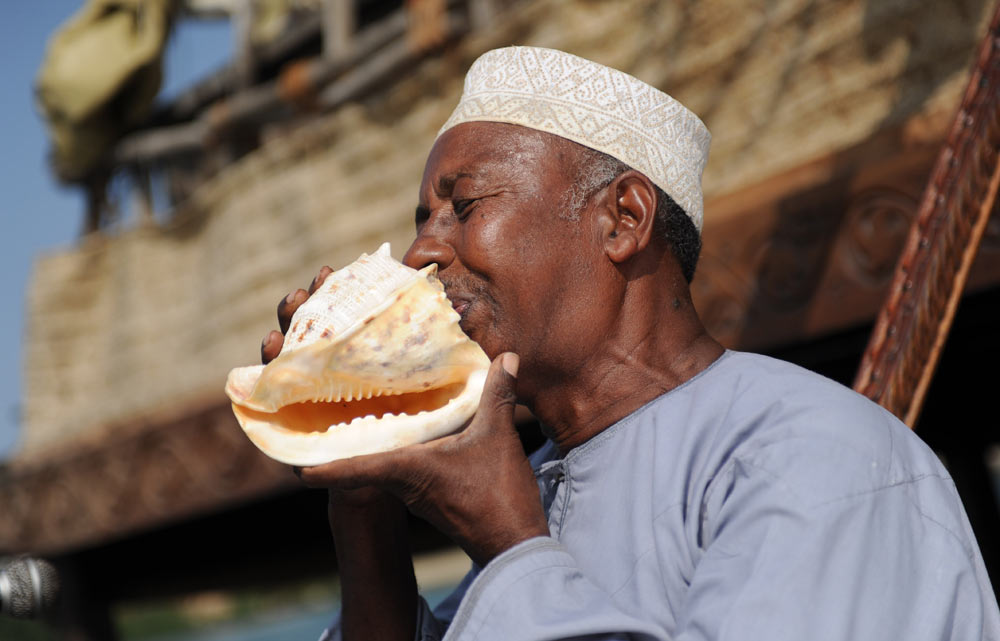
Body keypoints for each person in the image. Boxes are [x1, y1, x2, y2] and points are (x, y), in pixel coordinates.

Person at [259, 47, 1000, 640]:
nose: (420, 253)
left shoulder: (812, 453)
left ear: (623, 219)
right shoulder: (544, 484)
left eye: (463, 206)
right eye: (424, 217)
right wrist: (364, 515)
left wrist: (512, 543)